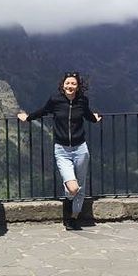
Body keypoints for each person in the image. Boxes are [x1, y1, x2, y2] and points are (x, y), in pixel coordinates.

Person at [17, 71, 103, 230]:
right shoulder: (55, 100)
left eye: (73, 84)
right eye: (67, 83)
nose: (70, 86)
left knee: (81, 185)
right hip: (62, 150)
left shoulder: (82, 101)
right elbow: (43, 111)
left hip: (81, 149)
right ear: (63, 85)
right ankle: (68, 205)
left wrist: (95, 119)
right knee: (72, 187)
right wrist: (28, 118)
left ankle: (73, 217)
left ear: (78, 87)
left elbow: (88, 115)